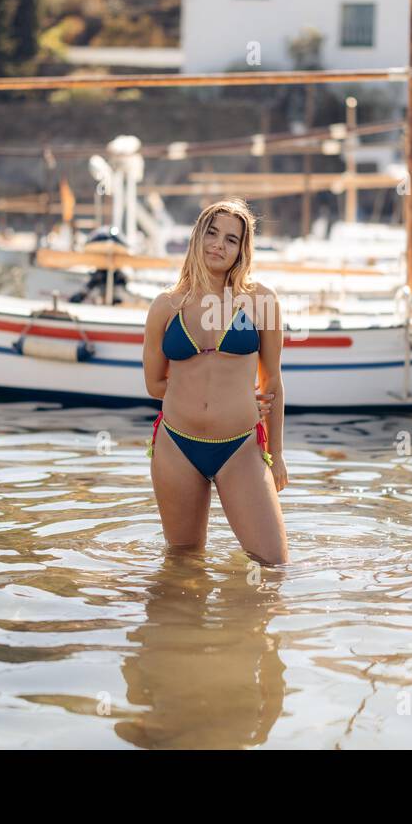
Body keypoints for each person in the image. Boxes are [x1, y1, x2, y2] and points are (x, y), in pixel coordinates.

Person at [142, 197, 289, 566]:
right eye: (212, 233)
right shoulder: (165, 306)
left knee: (272, 565)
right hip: (177, 446)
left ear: (242, 249)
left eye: (231, 239)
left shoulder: (261, 302)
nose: (218, 245)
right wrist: (199, 398)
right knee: (183, 564)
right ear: (197, 238)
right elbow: (154, 384)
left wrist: (278, 455)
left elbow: (272, 381)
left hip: (240, 448)